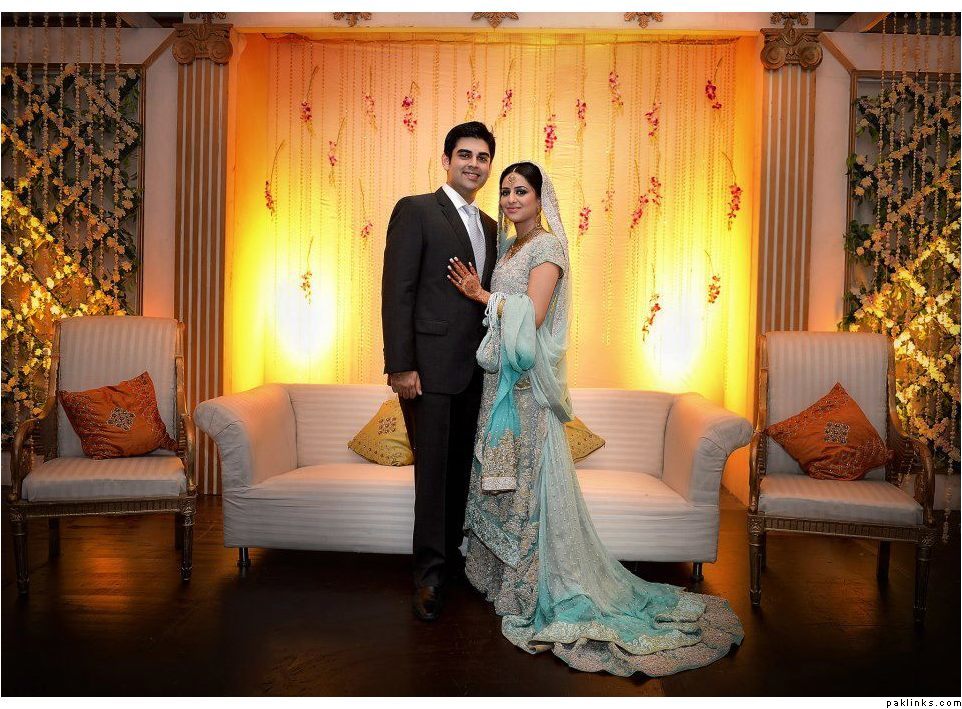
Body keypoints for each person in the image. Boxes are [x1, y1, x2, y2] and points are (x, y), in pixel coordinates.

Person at [447, 161, 744, 676]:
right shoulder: (511, 247)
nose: (512, 198)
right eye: (507, 190)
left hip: (526, 387)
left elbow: (534, 314)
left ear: (541, 198)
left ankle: (535, 587)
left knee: (528, 483)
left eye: (522, 191)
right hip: (501, 381)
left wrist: (480, 295)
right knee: (504, 477)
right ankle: (505, 581)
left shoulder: (547, 248)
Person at [381, 122, 498, 622]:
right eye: (465, 155)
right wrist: (400, 365)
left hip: (474, 372)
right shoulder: (416, 210)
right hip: (426, 372)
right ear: (447, 160)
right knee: (431, 476)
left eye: (483, 157)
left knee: (458, 473)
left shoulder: (491, 225)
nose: (474, 164)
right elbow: (397, 290)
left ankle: (449, 564)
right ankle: (428, 577)